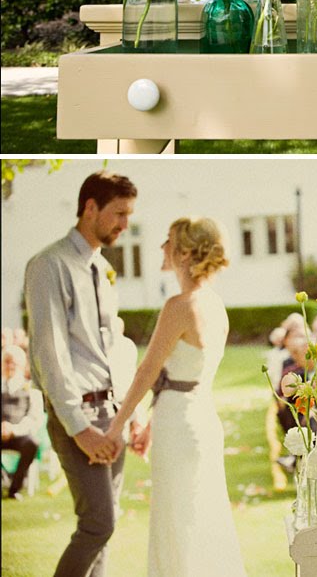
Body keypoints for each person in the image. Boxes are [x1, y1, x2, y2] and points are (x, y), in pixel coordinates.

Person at [105, 217, 247, 577]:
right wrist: (150, 424)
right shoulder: (215, 304)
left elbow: (147, 372)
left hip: (179, 426)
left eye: (167, 241)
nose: (161, 248)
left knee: (177, 522)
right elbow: (188, 378)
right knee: (200, 519)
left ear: (184, 252)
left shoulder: (179, 305)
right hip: (199, 419)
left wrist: (115, 429)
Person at [24, 170, 140, 577]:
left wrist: (131, 414)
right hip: (81, 416)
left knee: (104, 533)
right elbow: (49, 352)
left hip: (112, 414)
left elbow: (114, 347)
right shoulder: (48, 266)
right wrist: (78, 426)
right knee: (98, 525)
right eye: (119, 213)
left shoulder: (102, 269)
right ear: (90, 207)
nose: (125, 225)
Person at [1, 344, 44, 499]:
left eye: (14, 362)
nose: (10, 365)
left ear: (22, 365)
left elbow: (35, 418)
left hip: (19, 433)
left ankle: (15, 488)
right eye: (7, 361)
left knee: (32, 443)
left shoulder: (30, 388)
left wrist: (13, 429)